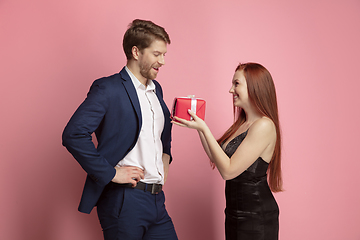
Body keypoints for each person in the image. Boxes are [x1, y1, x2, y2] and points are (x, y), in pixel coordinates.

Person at [62, 19, 178, 240]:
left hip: (157, 201)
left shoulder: (156, 90)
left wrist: (165, 162)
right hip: (125, 201)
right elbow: (73, 134)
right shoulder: (108, 88)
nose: (162, 61)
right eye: (156, 54)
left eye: (164, 55)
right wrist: (111, 173)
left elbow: (162, 135)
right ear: (136, 51)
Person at [172, 62, 282, 240]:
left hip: (256, 216)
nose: (231, 90)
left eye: (236, 84)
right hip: (234, 213)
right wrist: (199, 126)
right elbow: (217, 157)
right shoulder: (243, 124)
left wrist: (205, 128)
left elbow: (228, 171)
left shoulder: (264, 125)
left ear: (254, 86)